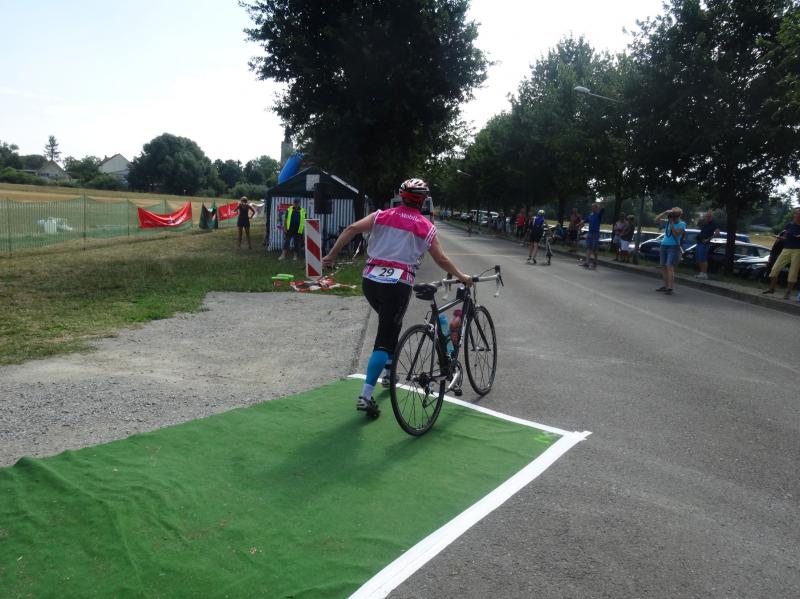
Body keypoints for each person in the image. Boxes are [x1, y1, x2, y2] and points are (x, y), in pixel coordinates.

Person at [322, 178, 472, 417]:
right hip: (397, 284)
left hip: (370, 281)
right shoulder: (425, 226)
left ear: (401, 196)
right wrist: (462, 276)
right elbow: (441, 259)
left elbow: (351, 229)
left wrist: (331, 256)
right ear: (423, 200)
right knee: (384, 337)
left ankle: (388, 372)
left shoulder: (381, 215)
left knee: (392, 325)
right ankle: (366, 395)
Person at [762, 208, 800, 299]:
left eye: (798, 214)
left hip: (798, 250)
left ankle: (787, 293)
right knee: (775, 269)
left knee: (793, 272)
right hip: (786, 249)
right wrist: (779, 238)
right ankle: (771, 289)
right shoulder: (789, 225)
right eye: (796, 213)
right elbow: (785, 237)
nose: (797, 215)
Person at [655, 207, 686, 295]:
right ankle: (665, 286)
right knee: (663, 266)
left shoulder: (682, 224)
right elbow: (656, 220)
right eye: (672, 215)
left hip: (673, 246)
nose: (673, 217)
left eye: (674, 215)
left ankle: (670, 288)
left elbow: (676, 234)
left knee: (669, 266)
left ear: (678, 216)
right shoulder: (668, 221)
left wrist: (672, 223)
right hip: (664, 245)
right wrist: (665, 212)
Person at [694, 210, 720, 280]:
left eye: (709, 216)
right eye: (706, 216)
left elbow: (717, 233)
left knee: (703, 259)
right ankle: (701, 273)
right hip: (699, 242)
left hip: (704, 244)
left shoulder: (714, 223)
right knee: (699, 259)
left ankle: (704, 274)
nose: (707, 218)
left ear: (711, 217)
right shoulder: (705, 223)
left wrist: (708, 239)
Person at [581, 202, 604, 269]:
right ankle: (587, 262)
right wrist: (580, 223)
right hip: (590, 233)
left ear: (596, 208)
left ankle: (595, 261)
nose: (592, 208)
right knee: (588, 247)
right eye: (592, 207)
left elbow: (602, 209)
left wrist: (602, 203)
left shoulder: (598, 215)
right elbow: (585, 220)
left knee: (594, 249)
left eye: (593, 207)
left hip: (595, 233)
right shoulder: (590, 215)